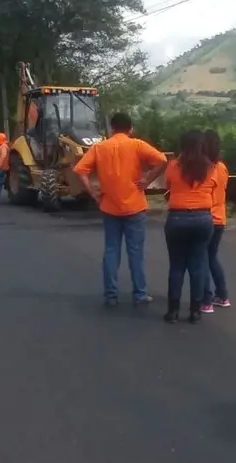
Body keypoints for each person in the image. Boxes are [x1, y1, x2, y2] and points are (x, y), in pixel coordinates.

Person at [74, 112, 167, 307]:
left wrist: (93, 193)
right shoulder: (137, 145)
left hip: (109, 207)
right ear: (130, 128)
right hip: (135, 206)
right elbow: (162, 161)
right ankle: (140, 294)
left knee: (111, 251)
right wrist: (147, 180)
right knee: (136, 252)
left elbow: (80, 170)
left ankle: (111, 295)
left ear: (111, 128)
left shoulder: (99, 147)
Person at [162, 130, 218, 324]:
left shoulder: (174, 166)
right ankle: (195, 311)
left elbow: (167, 184)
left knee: (177, 266)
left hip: (177, 218)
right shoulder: (211, 167)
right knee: (198, 265)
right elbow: (213, 187)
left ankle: (173, 311)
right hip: (203, 219)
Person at [200, 129, 231, 313]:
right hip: (220, 218)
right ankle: (222, 295)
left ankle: (206, 300)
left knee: (202, 259)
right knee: (212, 257)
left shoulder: (204, 168)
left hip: (205, 217)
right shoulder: (222, 167)